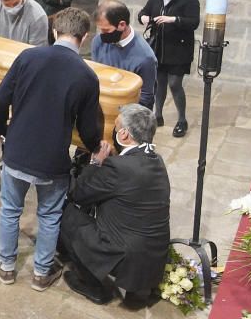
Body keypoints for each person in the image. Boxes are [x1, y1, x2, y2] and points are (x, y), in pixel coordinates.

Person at [0, 7, 103, 290]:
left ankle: (6, 267)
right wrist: (94, 149)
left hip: (17, 151)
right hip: (52, 160)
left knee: (10, 210)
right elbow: (89, 128)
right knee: (50, 215)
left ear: (54, 31)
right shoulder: (87, 76)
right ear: (85, 37)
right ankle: (41, 274)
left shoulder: (28, 56)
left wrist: (4, 132)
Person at [60, 104, 171, 305]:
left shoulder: (119, 167)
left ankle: (93, 286)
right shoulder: (157, 161)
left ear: (124, 134)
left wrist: (95, 163)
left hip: (126, 258)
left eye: (116, 126)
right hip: (152, 259)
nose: (113, 129)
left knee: (64, 213)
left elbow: (79, 194)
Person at [139, 0, 201, 137]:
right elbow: (144, 11)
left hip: (178, 49)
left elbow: (193, 22)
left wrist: (173, 19)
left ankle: (182, 119)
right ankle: (157, 115)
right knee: (159, 83)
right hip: (159, 46)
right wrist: (143, 17)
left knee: (175, 84)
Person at [91, 0, 157, 110]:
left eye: (106, 30)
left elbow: (146, 99)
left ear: (122, 25)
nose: (102, 35)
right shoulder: (98, 42)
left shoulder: (146, 58)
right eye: (101, 30)